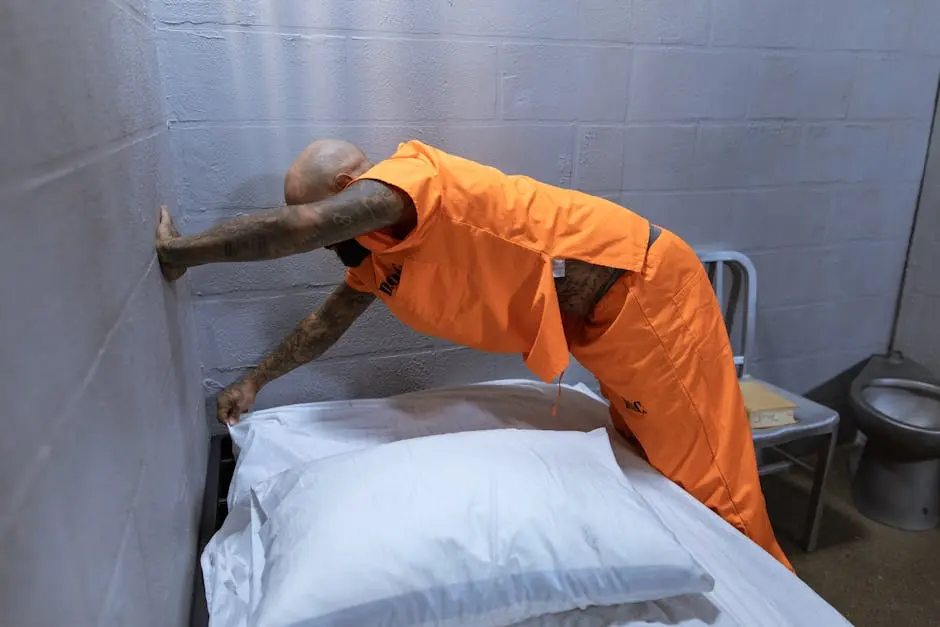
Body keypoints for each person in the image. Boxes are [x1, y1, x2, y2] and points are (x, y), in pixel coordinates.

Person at [156, 138, 793, 571]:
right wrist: (254, 381)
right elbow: (329, 321)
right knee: (654, 463)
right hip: (602, 327)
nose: (324, 235)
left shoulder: (408, 187)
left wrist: (183, 253)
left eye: (324, 211)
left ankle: (768, 593)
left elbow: (295, 230)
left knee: (711, 482)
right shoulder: (378, 254)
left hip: (650, 294)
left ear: (349, 189)